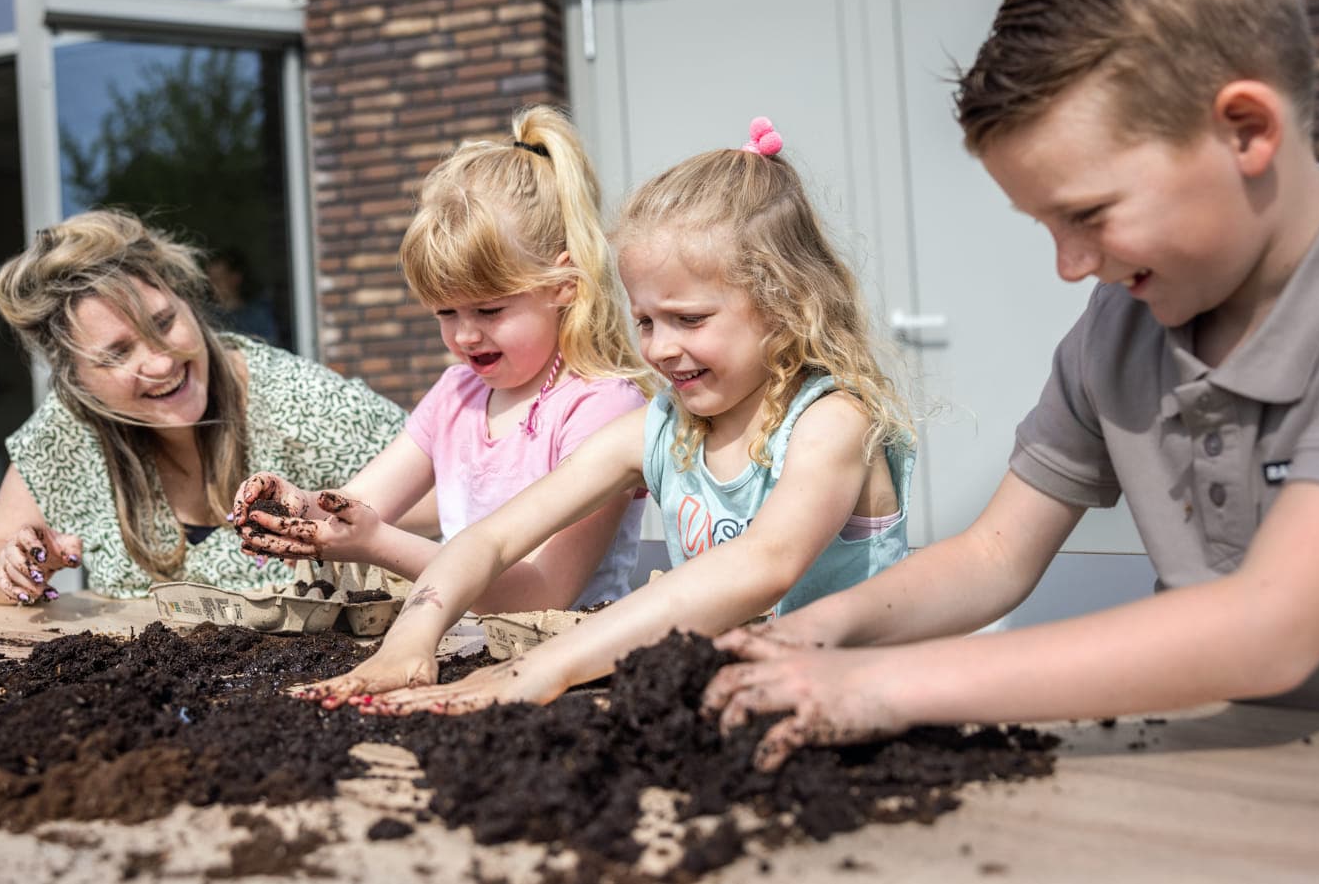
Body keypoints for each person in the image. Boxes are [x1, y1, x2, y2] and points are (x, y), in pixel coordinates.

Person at [700, 0, 1319, 771]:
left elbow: (1272, 625)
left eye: (1087, 214)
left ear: (1246, 130)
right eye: (1046, 223)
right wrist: (824, 632)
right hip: (1208, 772)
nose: (1069, 264)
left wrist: (884, 687)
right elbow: (995, 551)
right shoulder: (1119, 329)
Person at [285, 117, 917, 709]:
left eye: (690, 319)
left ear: (785, 304)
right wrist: (413, 634)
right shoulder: (658, 429)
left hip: (860, 698)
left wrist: (547, 665)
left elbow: (763, 565)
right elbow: (495, 536)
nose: (661, 348)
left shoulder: (832, 421)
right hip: (744, 693)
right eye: (644, 320)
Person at [233, 105, 654, 610]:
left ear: (564, 286)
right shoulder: (456, 395)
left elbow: (540, 592)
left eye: (490, 309)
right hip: (455, 642)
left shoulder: (603, 408)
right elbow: (355, 505)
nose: (466, 334)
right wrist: (294, 507)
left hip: (569, 659)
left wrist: (378, 543)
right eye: (446, 312)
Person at [0, 209, 411, 604]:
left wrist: (340, 514)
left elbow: (452, 484)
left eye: (164, 322)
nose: (160, 362)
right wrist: (21, 564)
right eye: (118, 353)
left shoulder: (293, 395)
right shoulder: (70, 425)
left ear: (188, 302)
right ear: (74, 376)